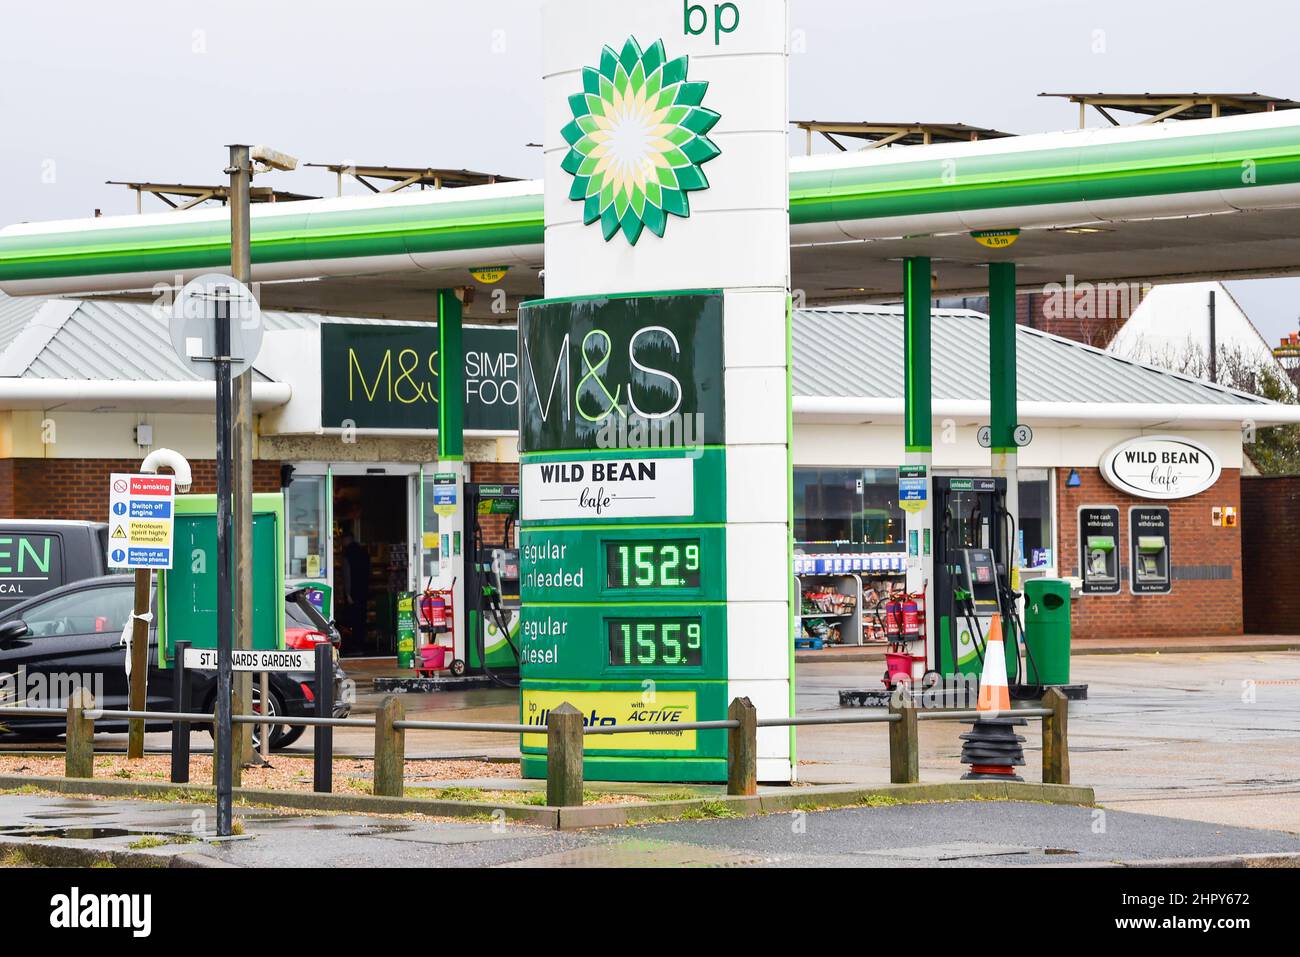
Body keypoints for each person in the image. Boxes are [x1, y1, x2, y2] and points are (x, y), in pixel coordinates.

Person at [338, 532, 371, 656]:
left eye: (343, 540)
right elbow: (369, 570)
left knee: (353, 619)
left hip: (353, 592)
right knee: (361, 618)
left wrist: (347, 593)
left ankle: (355, 646)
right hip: (363, 590)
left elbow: (347, 574)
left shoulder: (348, 553)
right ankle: (361, 643)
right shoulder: (363, 552)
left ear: (347, 539)